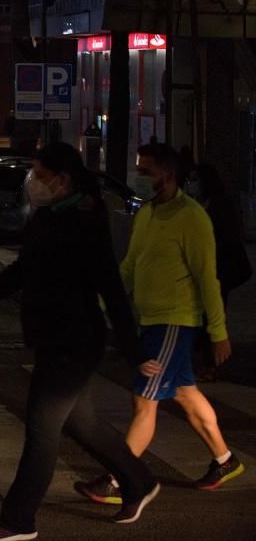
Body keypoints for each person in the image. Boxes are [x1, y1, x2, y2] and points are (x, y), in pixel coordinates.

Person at [0, 143, 159, 540]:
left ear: (62, 179)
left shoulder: (85, 219)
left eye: (40, 175)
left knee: (42, 430)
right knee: (84, 424)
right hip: (52, 337)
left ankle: (17, 520)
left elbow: (109, 284)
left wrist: (133, 349)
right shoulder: (47, 217)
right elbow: (20, 272)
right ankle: (140, 481)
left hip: (75, 340)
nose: (33, 183)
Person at [77, 144, 244, 506]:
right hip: (151, 320)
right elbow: (130, 266)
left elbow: (207, 278)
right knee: (184, 393)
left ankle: (118, 480)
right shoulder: (148, 213)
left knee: (145, 401)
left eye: (146, 170)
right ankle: (225, 460)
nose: (140, 176)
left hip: (175, 320)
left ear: (167, 174)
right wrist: (103, 302)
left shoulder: (192, 216)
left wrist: (218, 332)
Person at [186, 163, 252, 381]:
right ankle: (204, 361)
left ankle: (210, 364)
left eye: (195, 179)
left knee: (213, 315)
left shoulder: (220, 206)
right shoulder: (197, 204)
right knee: (202, 316)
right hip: (204, 269)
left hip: (220, 270)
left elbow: (226, 239)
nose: (191, 183)